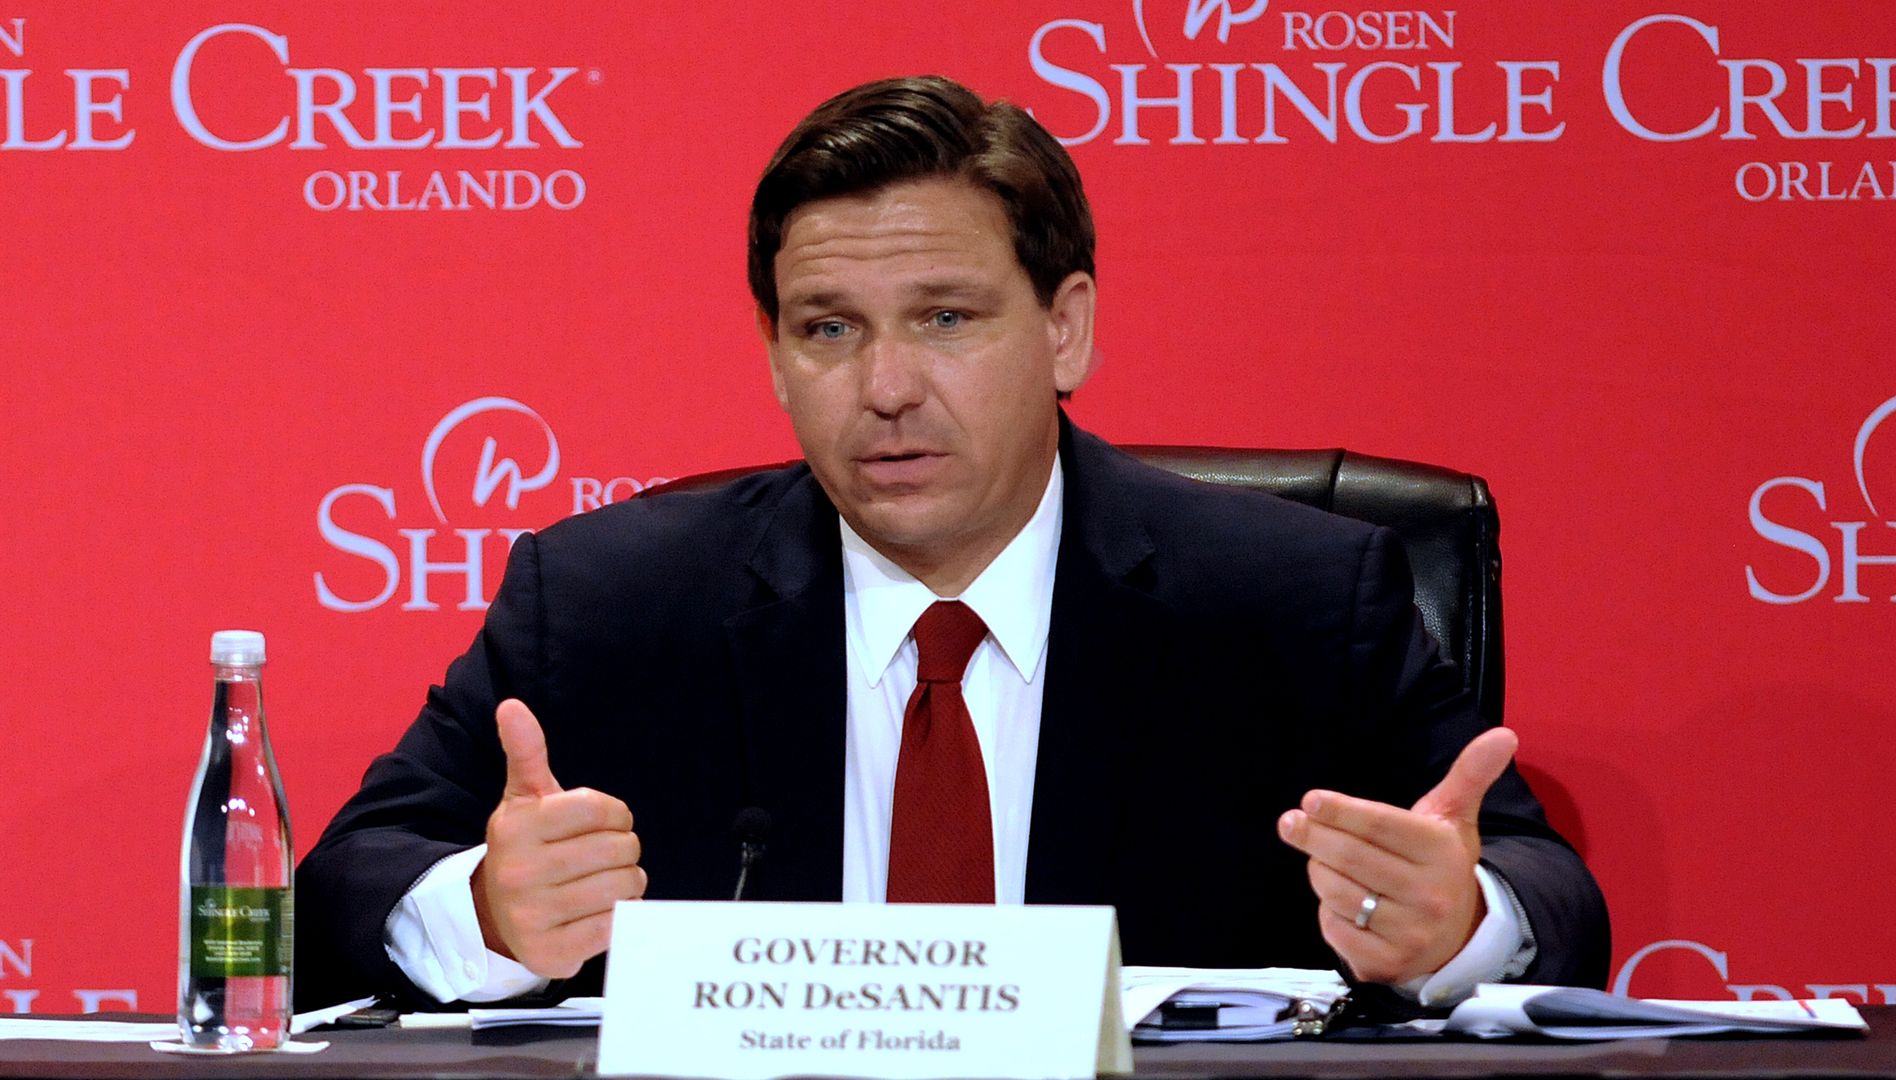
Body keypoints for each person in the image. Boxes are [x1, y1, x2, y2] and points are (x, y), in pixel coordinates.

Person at [293, 75, 1608, 1012]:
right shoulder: (612, 603)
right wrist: (484, 913)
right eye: (828, 328)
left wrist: (1459, 926)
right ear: (773, 355)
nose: (884, 386)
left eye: (945, 318)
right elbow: (339, 897)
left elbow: (1547, 893)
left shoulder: (1293, 600)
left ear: (1066, 328)